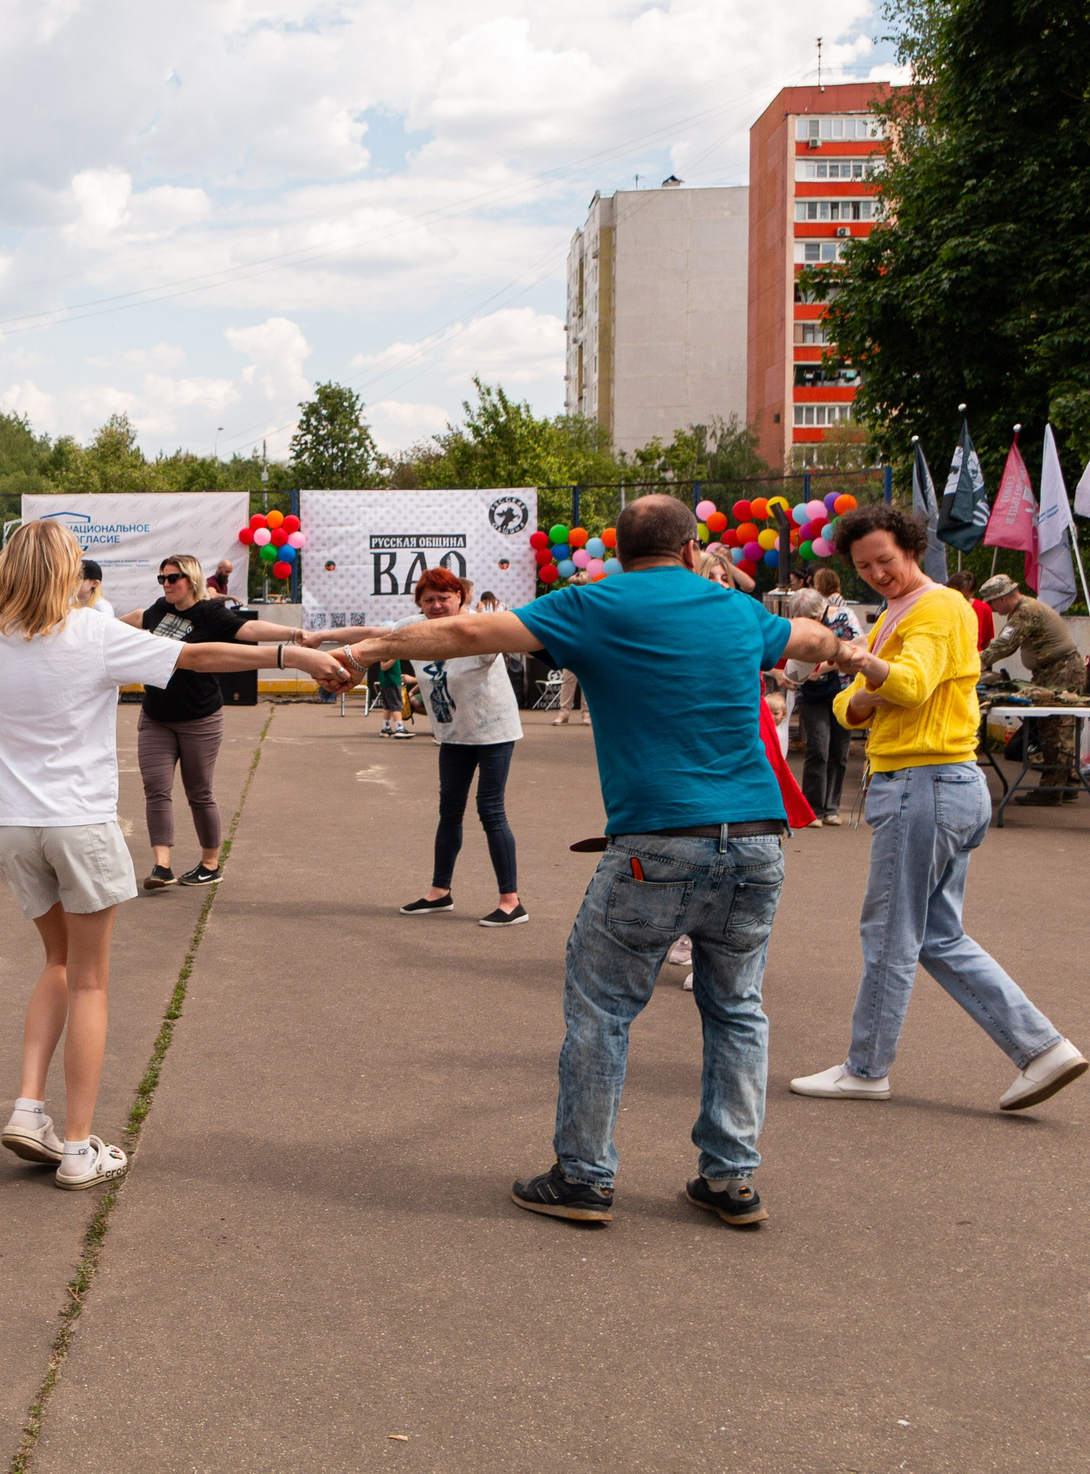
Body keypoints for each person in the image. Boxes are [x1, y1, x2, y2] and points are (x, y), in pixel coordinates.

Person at [341, 496, 841, 1228]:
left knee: (603, 1009)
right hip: (758, 838)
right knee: (736, 1009)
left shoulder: (593, 603)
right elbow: (806, 637)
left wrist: (374, 648)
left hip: (658, 837)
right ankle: (731, 1178)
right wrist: (856, 652)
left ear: (616, 547)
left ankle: (584, 1174)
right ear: (693, 544)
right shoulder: (736, 609)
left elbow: (469, 627)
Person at [0, 520, 349, 1189]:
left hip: (14, 828)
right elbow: (197, 657)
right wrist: (294, 657)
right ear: (70, 572)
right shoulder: (93, 629)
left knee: (56, 961)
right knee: (91, 981)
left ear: (10, 568)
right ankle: (78, 1147)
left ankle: (29, 1108)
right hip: (78, 824)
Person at [790, 504, 1089, 1113]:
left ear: (912, 549)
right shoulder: (903, 612)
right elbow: (850, 708)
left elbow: (905, 684)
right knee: (937, 935)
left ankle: (867, 1068)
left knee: (892, 934)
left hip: (925, 783)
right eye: (864, 564)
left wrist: (855, 662)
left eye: (886, 560)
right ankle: (1043, 1049)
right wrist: (867, 678)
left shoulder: (936, 607)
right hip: (938, 783)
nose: (876, 572)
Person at [115, 554, 307, 888]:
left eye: (172, 578)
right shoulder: (158, 609)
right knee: (156, 790)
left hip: (199, 718)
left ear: (190, 579)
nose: (166, 585)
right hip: (156, 716)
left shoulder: (209, 613)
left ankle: (210, 863)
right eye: (161, 579)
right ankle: (162, 866)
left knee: (199, 792)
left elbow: (249, 629)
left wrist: (292, 633)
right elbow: (131, 619)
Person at [343, 568, 524, 923]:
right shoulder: (414, 626)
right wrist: (317, 639)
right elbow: (370, 635)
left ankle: (511, 901)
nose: (438, 605)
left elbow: (526, 634)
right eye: (429, 599)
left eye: (445, 597)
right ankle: (440, 892)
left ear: (461, 597)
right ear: (419, 604)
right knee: (449, 810)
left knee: (490, 809)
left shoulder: (480, 628)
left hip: (493, 732)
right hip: (453, 733)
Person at [978, 573, 1088, 805]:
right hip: (1055, 670)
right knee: (1058, 726)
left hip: (1061, 670)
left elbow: (1004, 645)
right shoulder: (1027, 607)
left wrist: (969, 664)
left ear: (1003, 597)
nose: (992, 607)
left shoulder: (1025, 611)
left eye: (992, 602)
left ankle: (1052, 790)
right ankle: (1067, 783)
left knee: (1055, 728)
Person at [790, 570, 861, 825]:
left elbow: (855, 648)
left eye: (811, 617)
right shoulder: (795, 625)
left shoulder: (844, 617)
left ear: (822, 609)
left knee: (839, 750)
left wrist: (819, 666)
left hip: (842, 690)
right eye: (801, 618)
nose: (807, 622)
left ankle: (832, 808)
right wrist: (794, 674)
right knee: (817, 748)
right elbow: (791, 663)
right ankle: (812, 810)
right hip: (810, 695)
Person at [947, 572, 996, 651]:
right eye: (955, 594)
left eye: (964, 596)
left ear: (972, 592)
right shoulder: (943, 606)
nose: (959, 599)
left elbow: (986, 641)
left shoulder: (983, 609)